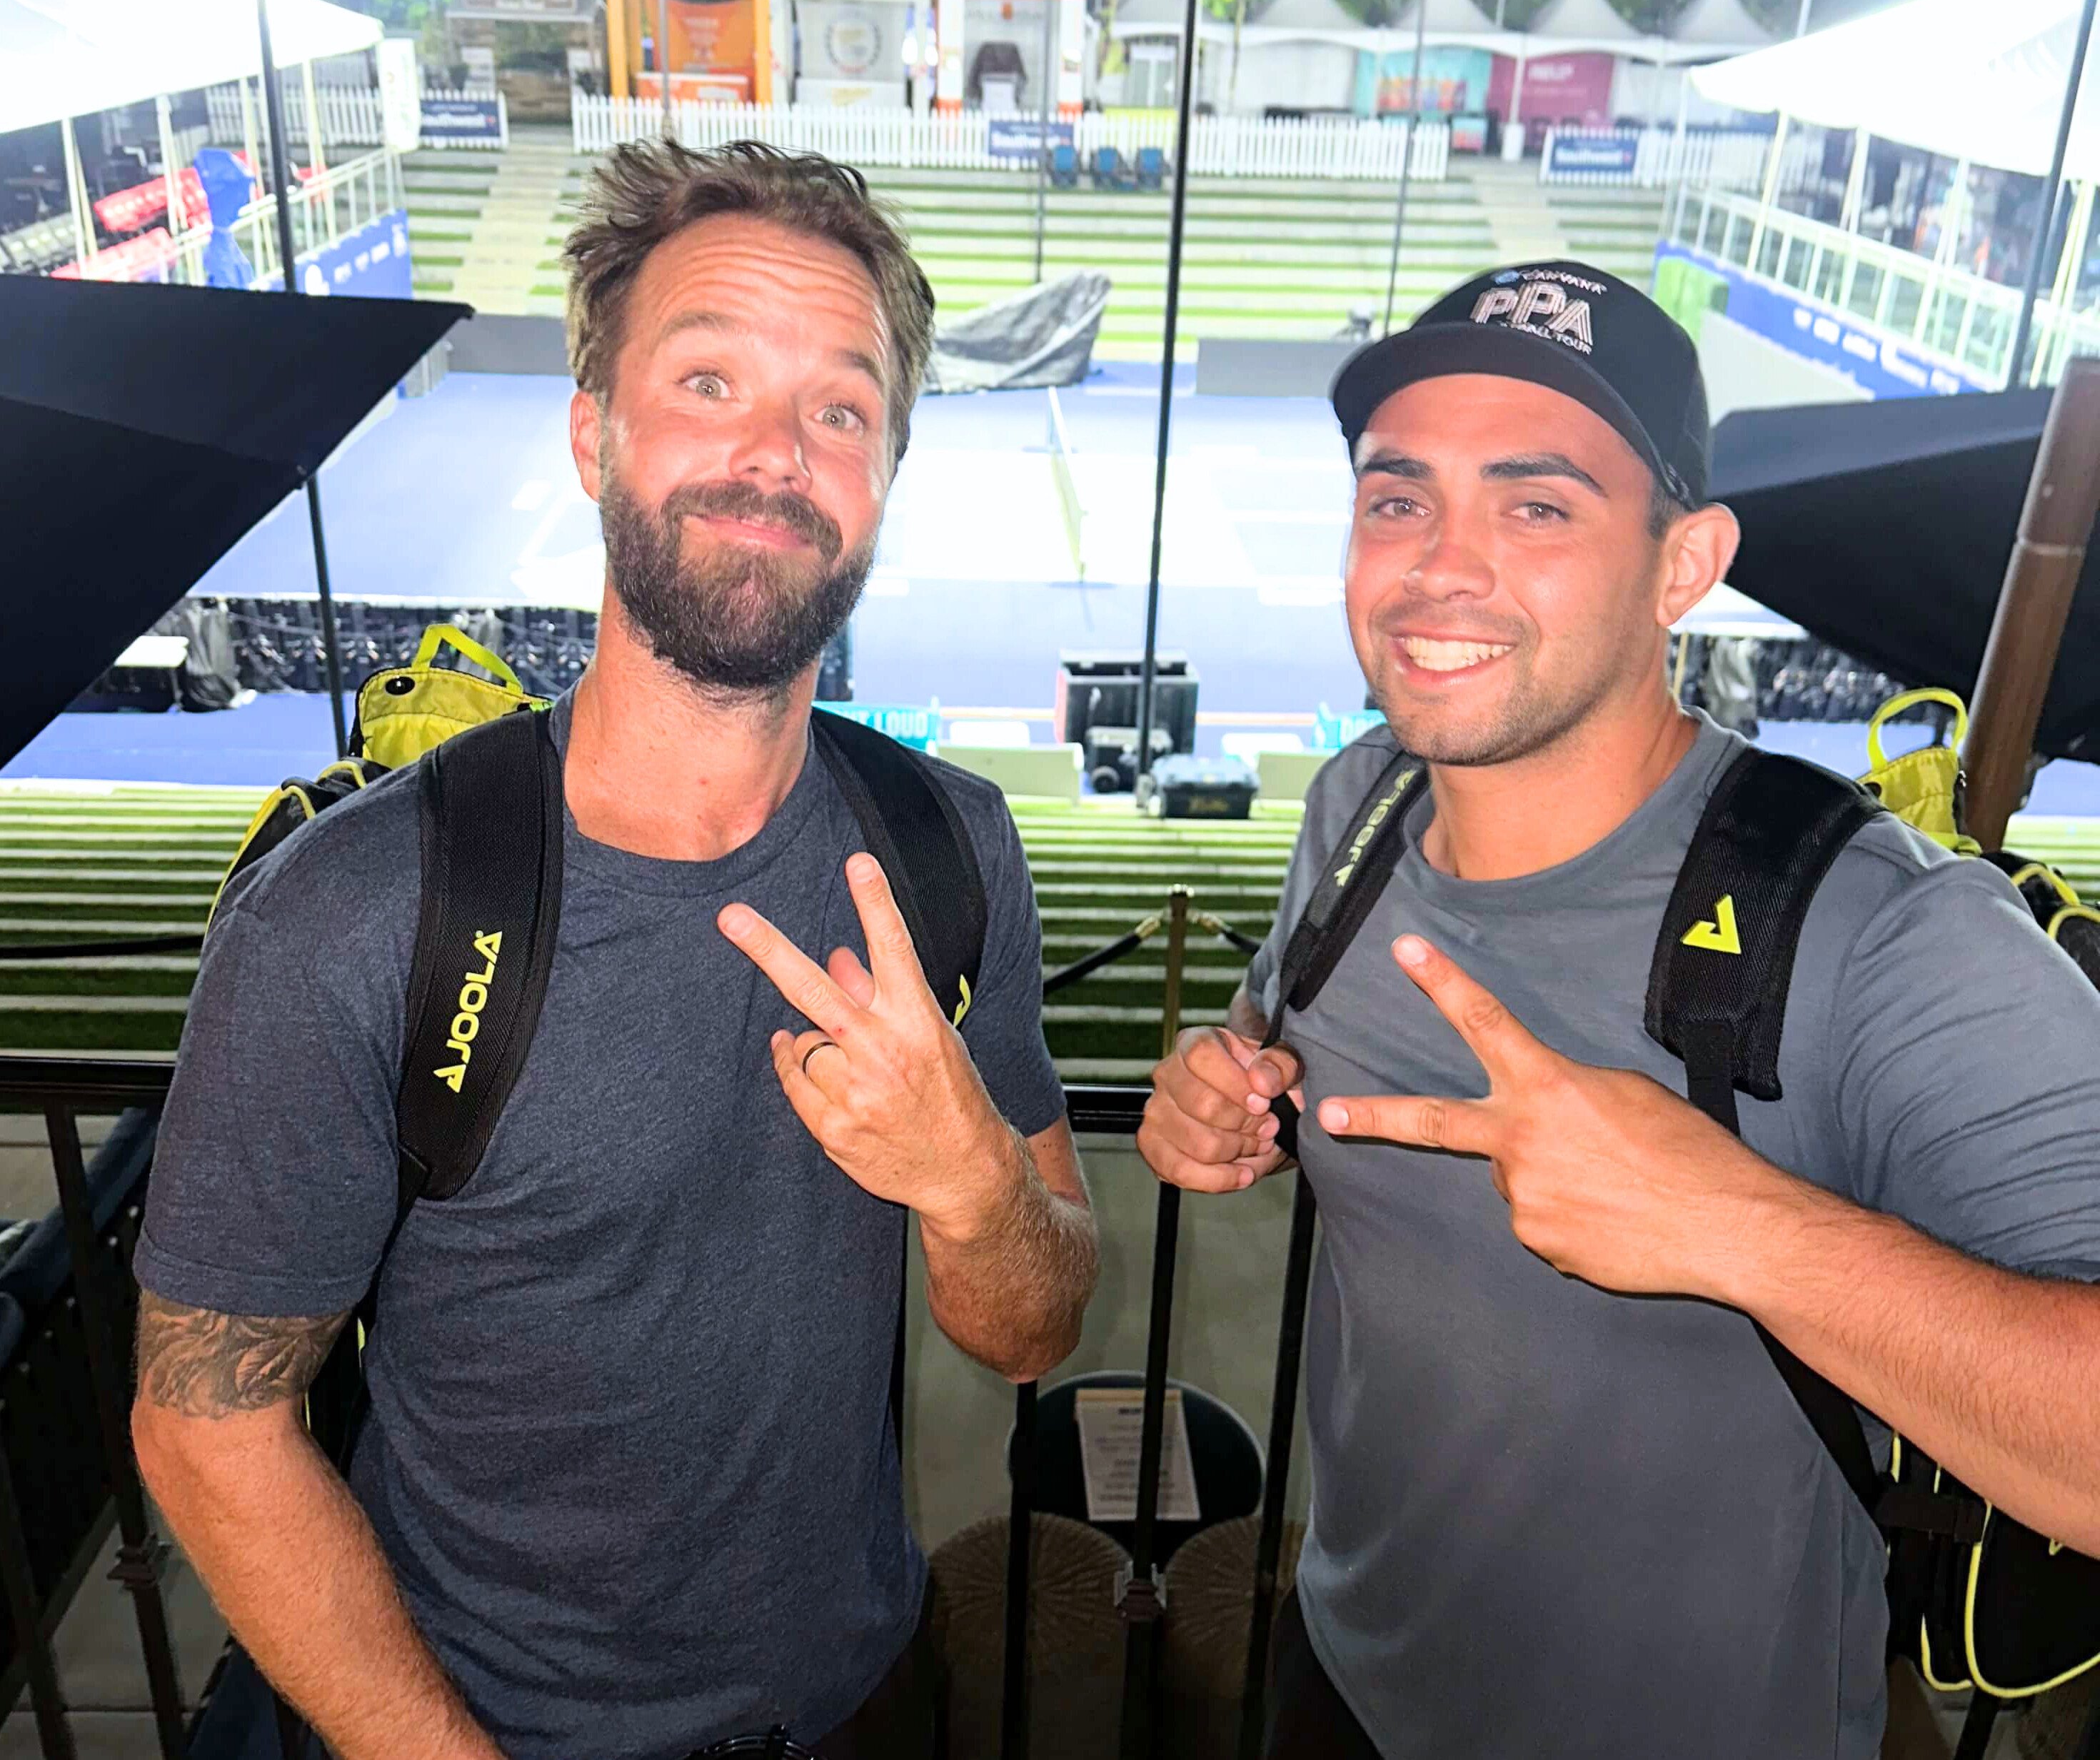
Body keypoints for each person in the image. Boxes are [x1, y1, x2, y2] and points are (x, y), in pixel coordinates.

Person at [132, 139, 1099, 1760]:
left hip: (865, 1702)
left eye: (840, 408)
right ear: (594, 433)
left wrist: (975, 1185)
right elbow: (204, 1426)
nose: (777, 453)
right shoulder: (353, 916)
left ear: (882, 473)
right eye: (709, 379)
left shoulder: (952, 851)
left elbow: (1031, 1325)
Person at [1138, 259, 2100, 1760]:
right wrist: (1223, 1093)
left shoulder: (1878, 931)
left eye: (1537, 506)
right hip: (1346, 1678)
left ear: (1682, 561)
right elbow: (1274, 1043)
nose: (1437, 565)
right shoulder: (1359, 801)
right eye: (1398, 498)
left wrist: (1738, 1227)